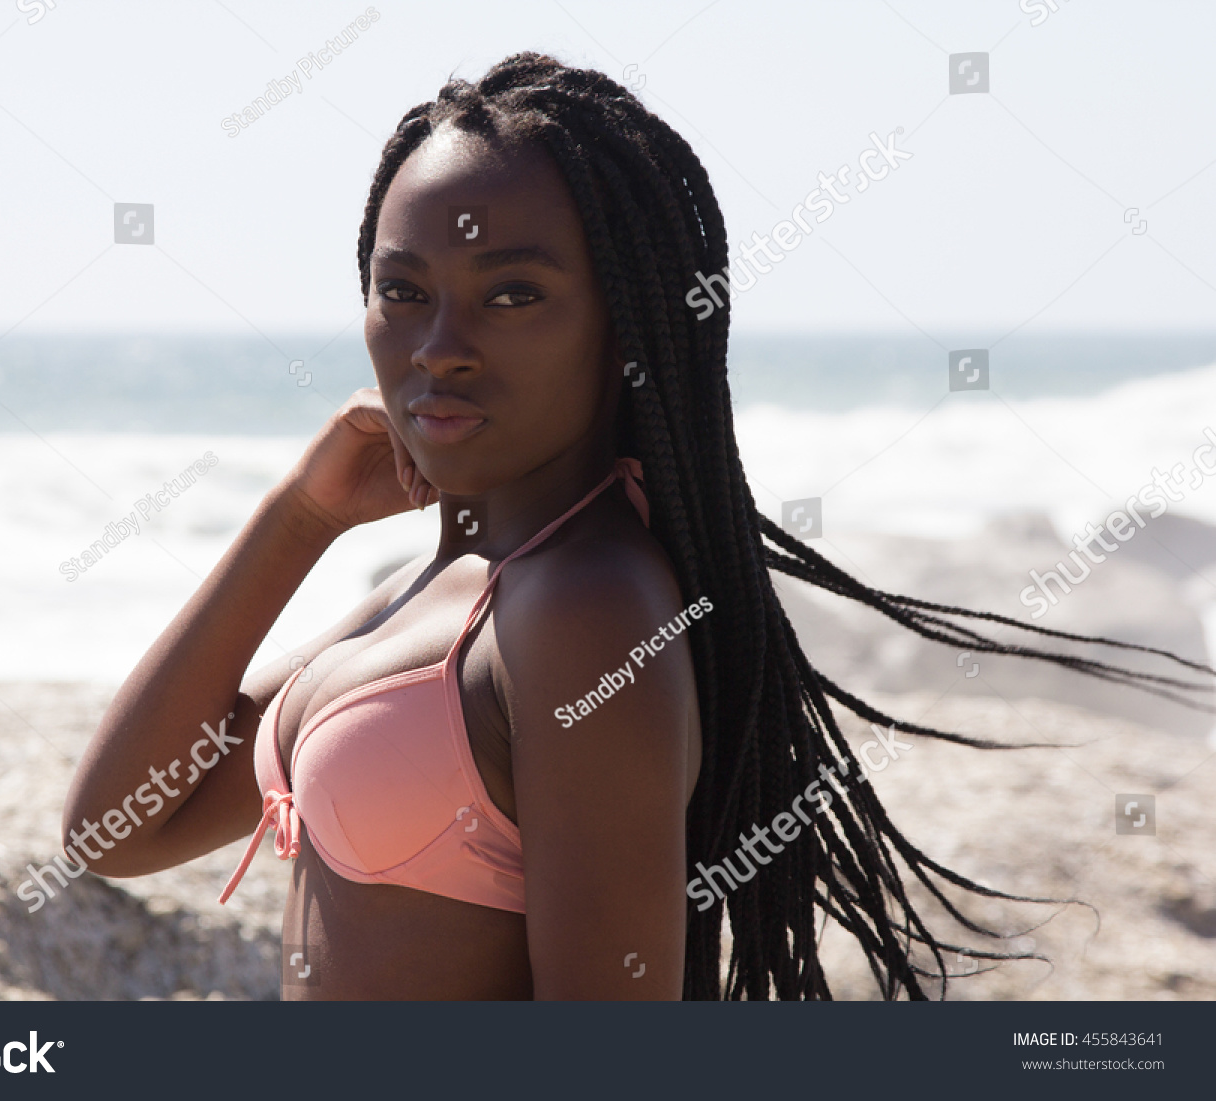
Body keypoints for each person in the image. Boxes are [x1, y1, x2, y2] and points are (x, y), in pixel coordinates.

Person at [63, 53, 1213, 1000]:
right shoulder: (447, 587)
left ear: (628, 326)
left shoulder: (583, 605)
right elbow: (114, 832)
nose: (439, 344)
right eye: (403, 288)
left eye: (513, 293)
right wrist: (299, 517)